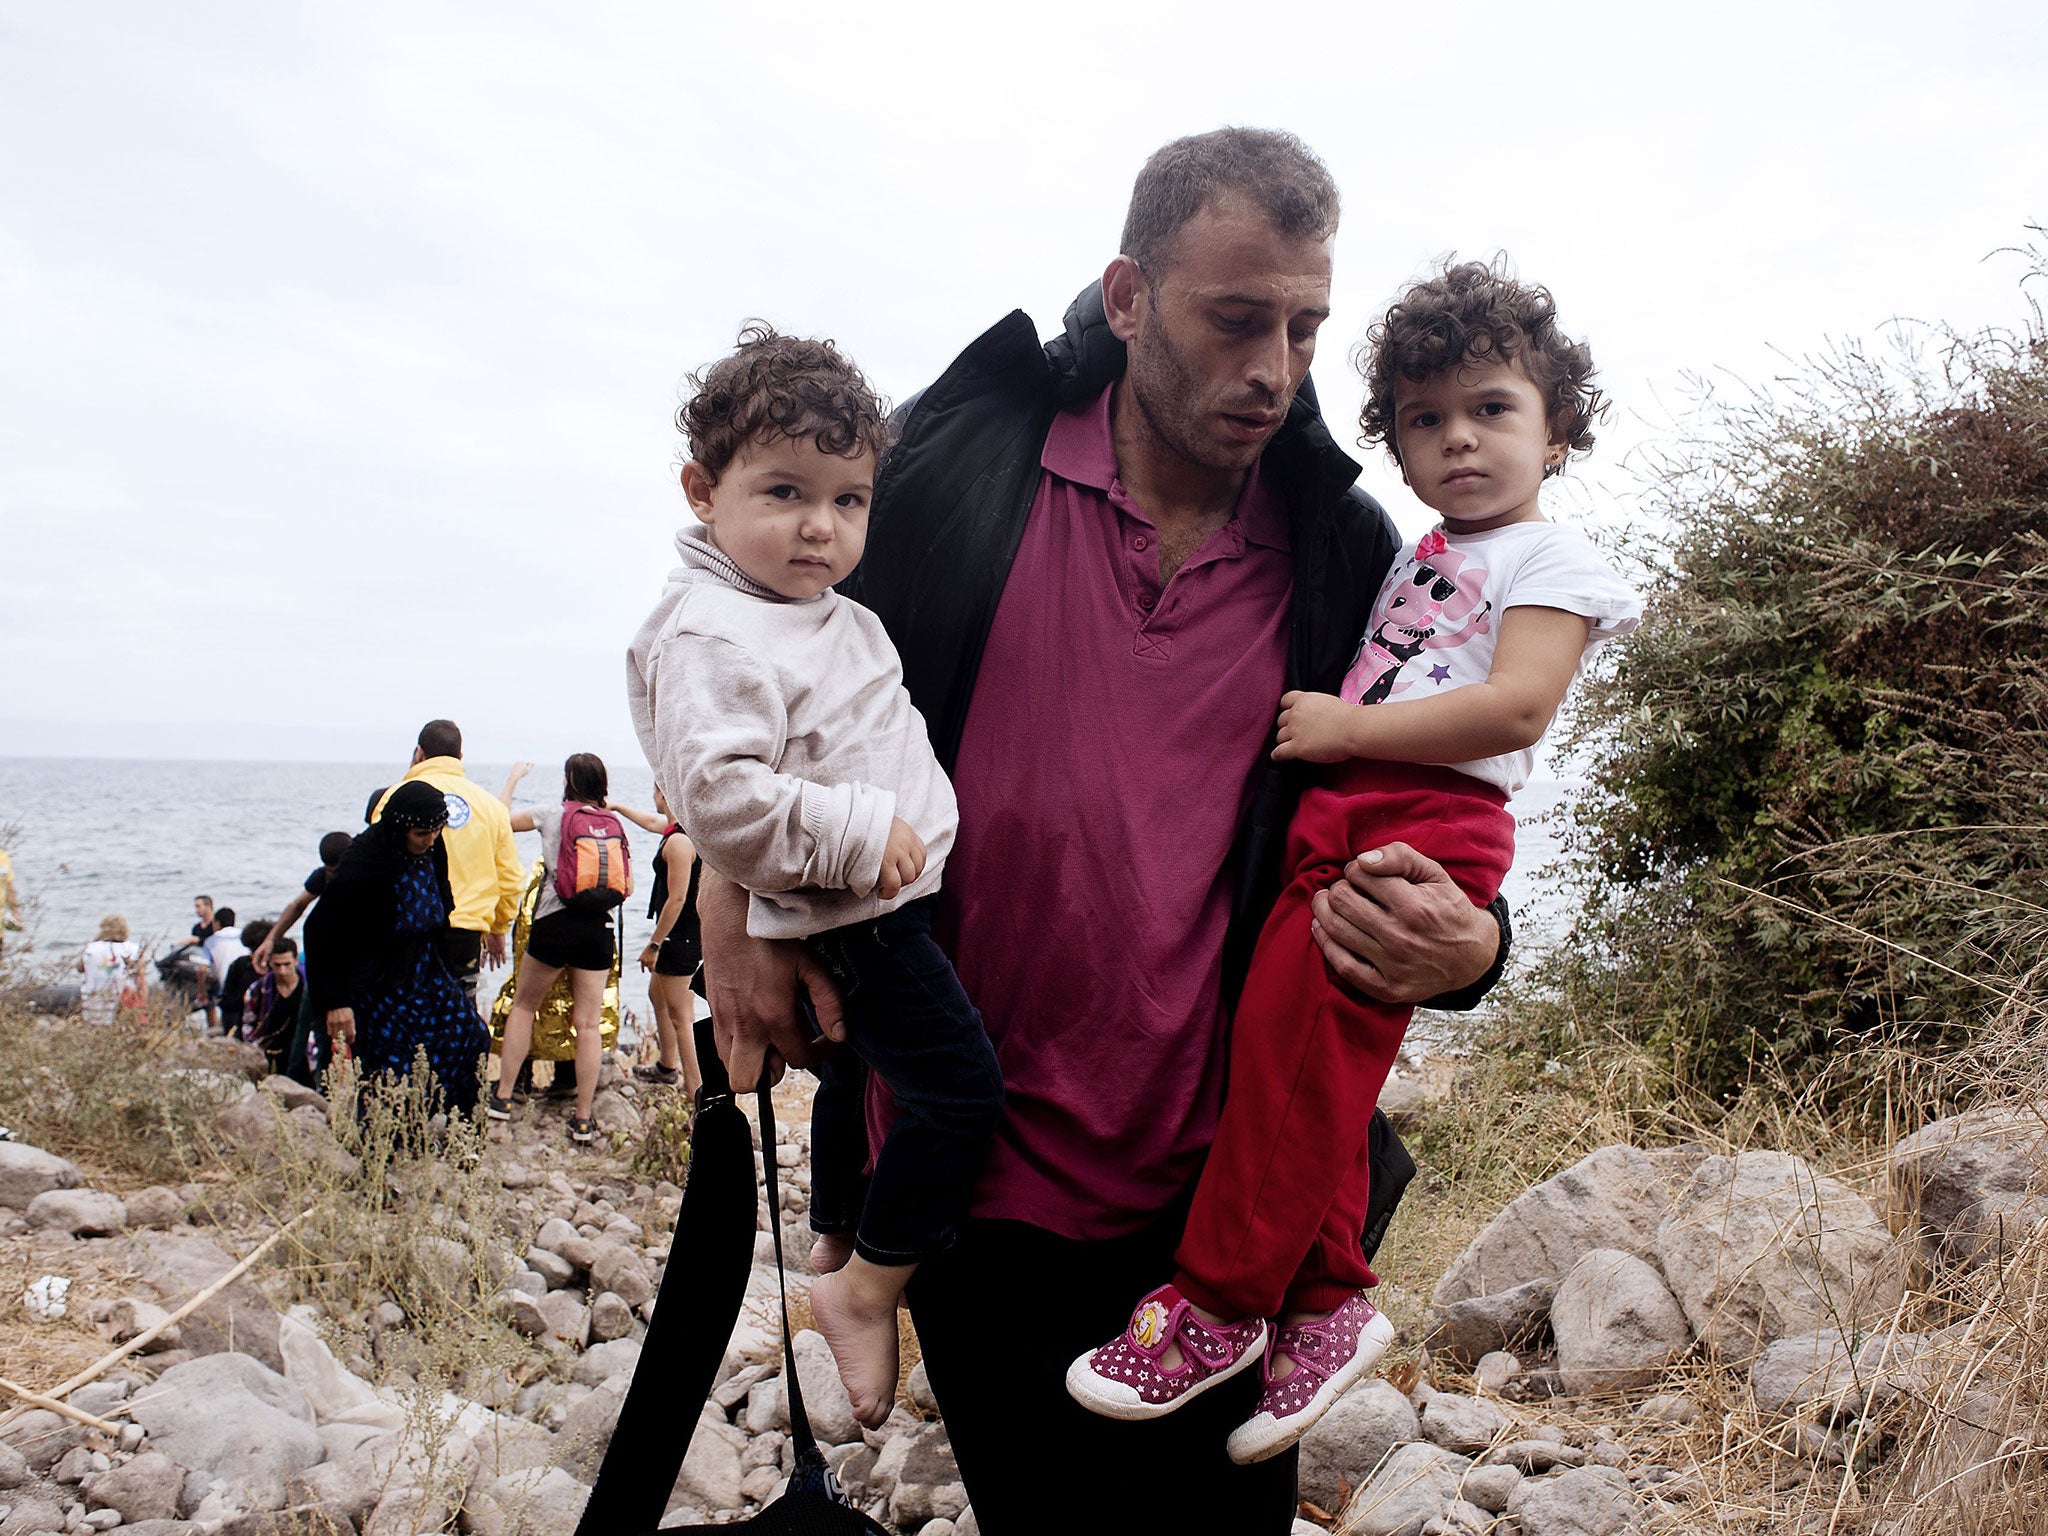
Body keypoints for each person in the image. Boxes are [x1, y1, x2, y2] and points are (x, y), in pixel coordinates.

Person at [697, 129, 1511, 1533]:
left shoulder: (1343, 551)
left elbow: (1448, 799)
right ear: (1129, 298)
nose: (1276, 367)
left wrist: (1476, 949)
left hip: (1220, 1207)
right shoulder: (954, 476)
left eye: (1306, 327)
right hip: (972, 1166)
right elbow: (768, 670)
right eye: (1238, 318)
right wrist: (721, 886)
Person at [1068, 260, 1642, 1459]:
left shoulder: (1551, 560)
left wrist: (1344, 729)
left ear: (1558, 427)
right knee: (1294, 1066)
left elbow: (1516, 709)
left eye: (1491, 409)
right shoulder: (1420, 547)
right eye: (1425, 419)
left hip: (1422, 823)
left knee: (1291, 1066)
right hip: (1348, 814)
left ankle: (1217, 1308)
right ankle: (1323, 1305)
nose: (1458, 441)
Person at [630, 326, 1005, 1425]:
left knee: (850, 1075)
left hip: (875, 896)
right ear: (704, 489)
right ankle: (865, 1286)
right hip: (863, 909)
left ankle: (835, 1223)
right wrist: (852, 832)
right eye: (785, 491)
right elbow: (718, 794)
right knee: (958, 1095)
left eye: (847, 501)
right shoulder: (712, 629)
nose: (819, 527)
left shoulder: (803, 608)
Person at [308, 780, 489, 1114]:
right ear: (400, 827)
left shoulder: (433, 849)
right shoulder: (366, 860)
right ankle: (383, 1152)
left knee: (471, 1037)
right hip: (379, 984)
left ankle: (460, 1134)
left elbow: (443, 904)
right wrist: (335, 1002)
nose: (430, 839)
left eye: (436, 831)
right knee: (389, 1069)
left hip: (427, 972)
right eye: (422, 833)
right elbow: (320, 929)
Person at [491, 755, 633, 1143]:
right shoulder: (612, 824)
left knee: (524, 1006)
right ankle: (583, 1119)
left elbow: (499, 820)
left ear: (569, 779)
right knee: (587, 1025)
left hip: (555, 922)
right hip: (598, 928)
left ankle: (502, 1098)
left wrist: (512, 778)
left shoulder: (552, 813)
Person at [371, 721, 525, 1012]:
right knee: (458, 1014)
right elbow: (510, 877)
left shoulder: (396, 797)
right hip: (465, 930)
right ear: (460, 758)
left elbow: (374, 864)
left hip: (408, 925)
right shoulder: (489, 806)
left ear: (419, 753)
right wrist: (498, 927)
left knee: (406, 1014)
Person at [612, 788, 703, 1092]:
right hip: (684, 936)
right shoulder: (680, 830)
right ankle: (666, 1066)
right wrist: (618, 806)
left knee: (682, 1019)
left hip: (679, 939)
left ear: (663, 794)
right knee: (657, 995)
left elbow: (676, 899)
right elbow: (651, 823)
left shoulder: (678, 842)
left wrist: (654, 943)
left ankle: (697, 1095)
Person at [253, 832, 353, 968]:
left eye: (338, 871)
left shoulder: (374, 872)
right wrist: (270, 939)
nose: (335, 876)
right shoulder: (323, 876)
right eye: (330, 871)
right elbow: (297, 906)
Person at [247, 938, 308, 1078]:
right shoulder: (259, 989)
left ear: (296, 960)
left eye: (287, 964)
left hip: (304, 1053)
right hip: (270, 1051)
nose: (282, 971)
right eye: (277, 965)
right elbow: (248, 1022)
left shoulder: (308, 988)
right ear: (270, 963)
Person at [78, 914, 143, 1026]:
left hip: (92, 1009)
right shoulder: (133, 949)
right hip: (123, 1007)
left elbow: (80, 968)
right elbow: (141, 982)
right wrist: (143, 1008)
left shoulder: (90, 948)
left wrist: (96, 939)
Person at [217, 919, 270, 1041]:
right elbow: (227, 1002)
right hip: (246, 1026)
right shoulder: (240, 965)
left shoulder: (241, 965)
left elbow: (227, 1001)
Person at [200, 908, 246, 1032]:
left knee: (230, 1028)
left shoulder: (211, 941)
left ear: (217, 923)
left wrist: (202, 991)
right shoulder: (243, 935)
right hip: (247, 982)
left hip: (227, 988)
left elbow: (202, 969)